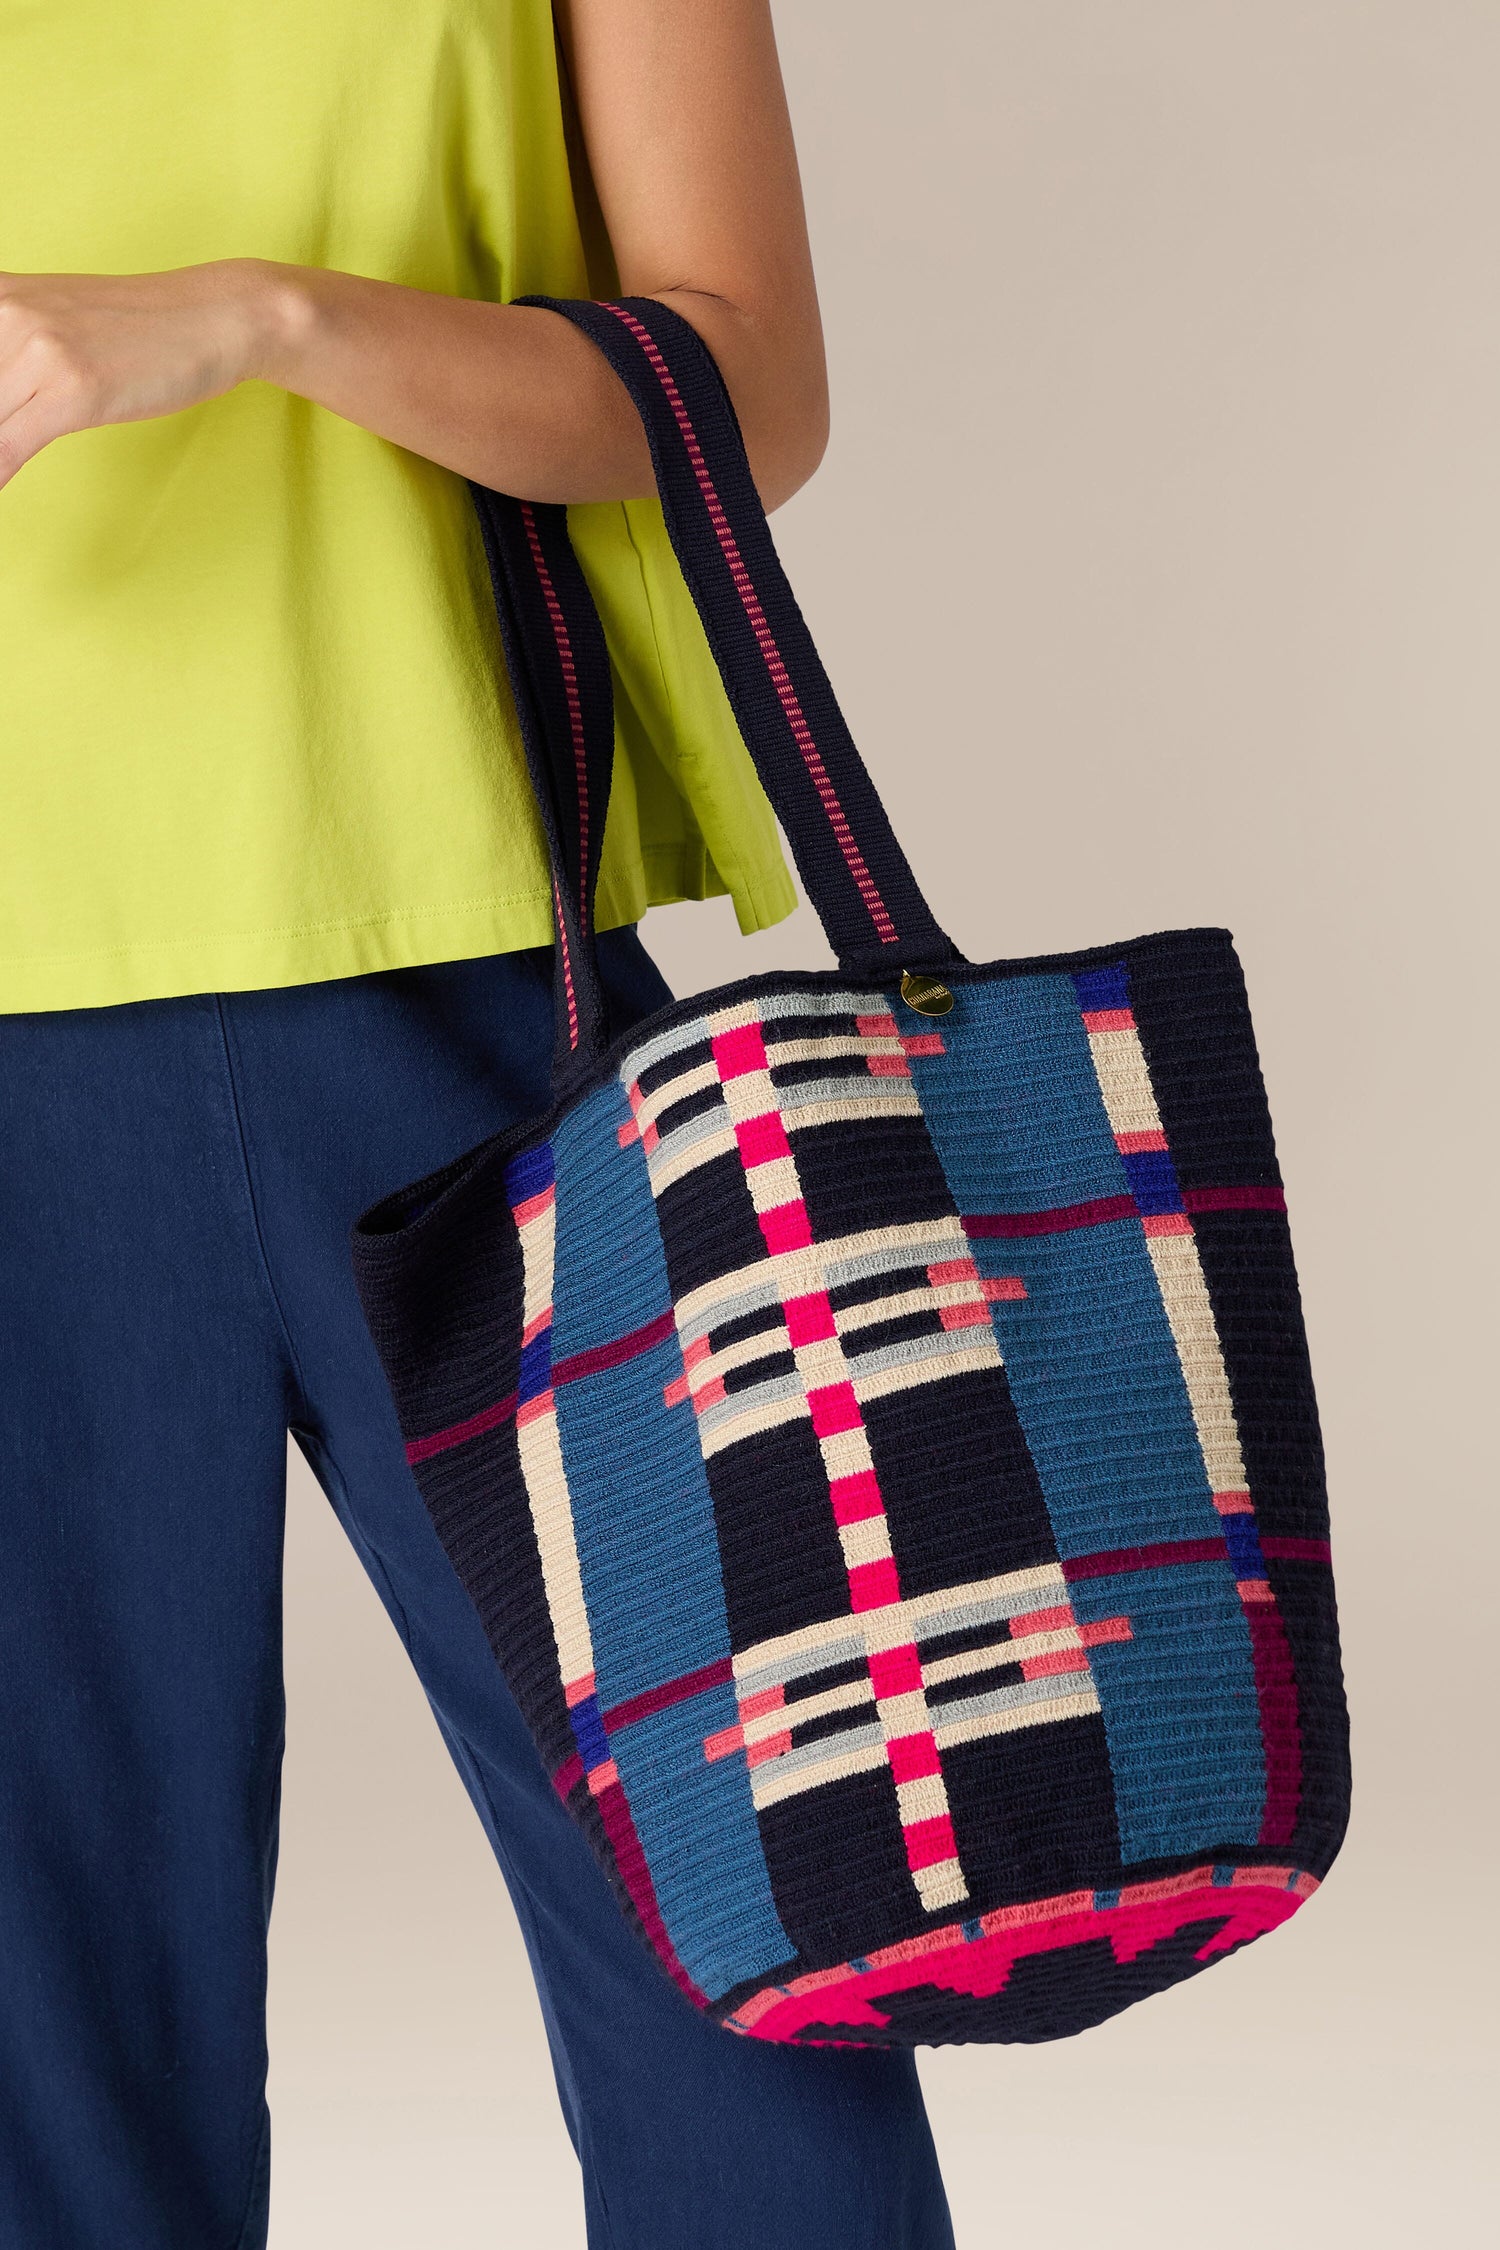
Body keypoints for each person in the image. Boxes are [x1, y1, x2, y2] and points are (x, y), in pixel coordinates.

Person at [0, 2, 956, 2245]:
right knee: (47, 2029)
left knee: (748, 1947)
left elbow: (747, 381)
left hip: (464, 981)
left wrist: (266, 320)